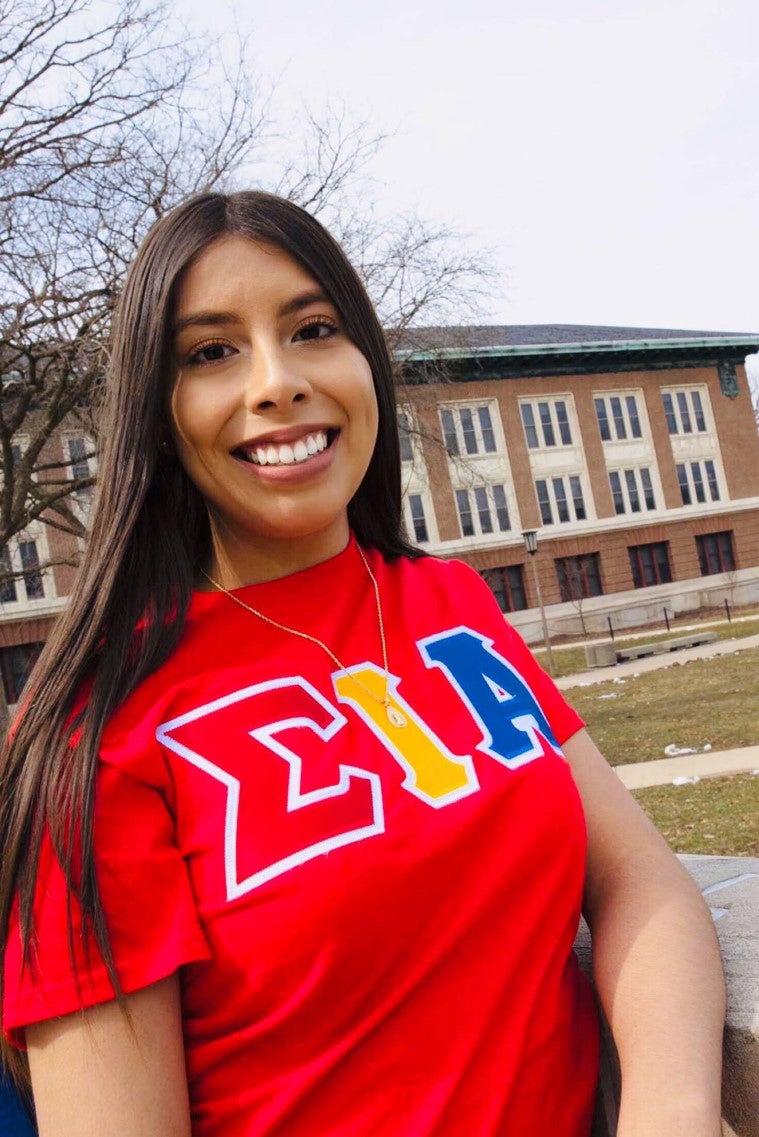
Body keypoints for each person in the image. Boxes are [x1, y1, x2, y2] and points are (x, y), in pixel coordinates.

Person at [0, 191, 724, 1137]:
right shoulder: (94, 729)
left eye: (312, 327)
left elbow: (637, 879)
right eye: (210, 351)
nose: (276, 381)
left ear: (364, 360)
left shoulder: (448, 604)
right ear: (155, 412)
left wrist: (668, 1111)